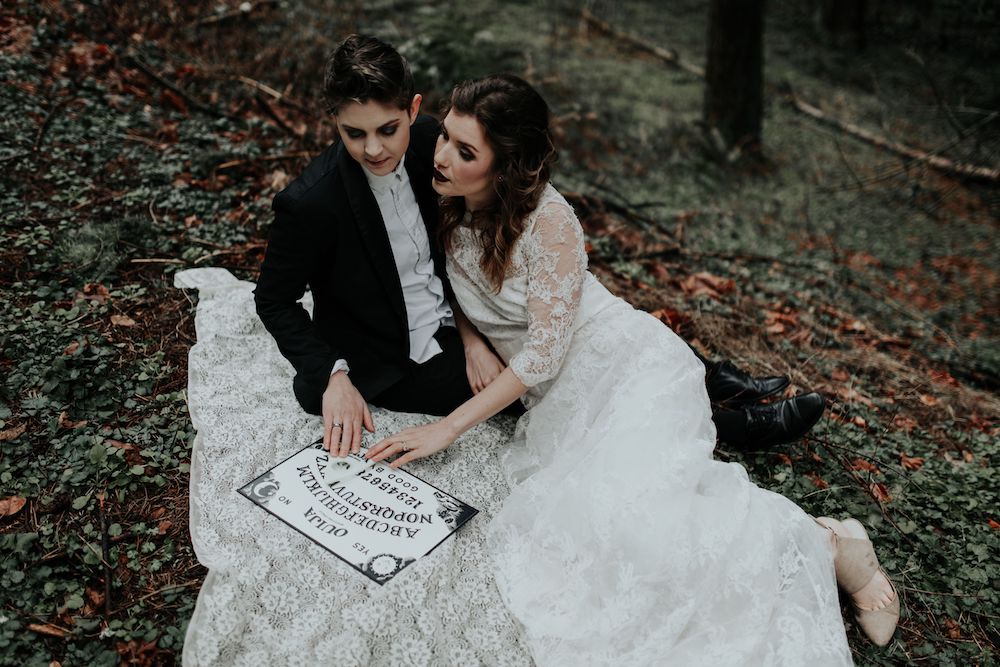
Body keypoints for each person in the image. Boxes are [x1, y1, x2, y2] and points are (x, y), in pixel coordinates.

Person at [364, 74, 899, 664]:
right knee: (594, 537)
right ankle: (823, 538)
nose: (440, 157)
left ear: (507, 166)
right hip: (561, 401)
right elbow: (453, 289)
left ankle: (828, 544)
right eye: (445, 138)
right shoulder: (444, 198)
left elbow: (541, 354)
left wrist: (448, 427)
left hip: (629, 370)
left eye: (465, 152)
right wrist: (471, 341)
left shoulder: (550, 222)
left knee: (646, 530)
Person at [253, 34, 824, 463]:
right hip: (404, 347)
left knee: (605, 337)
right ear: (334, 122)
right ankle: (720, 411)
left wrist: (471, 336)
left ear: (412, 110)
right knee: (557, 398)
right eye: (355, 133)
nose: (376, 149)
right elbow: (273, 300)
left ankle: (722, 388)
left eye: (389, 129)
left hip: (486, 323)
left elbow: (490, 230)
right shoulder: (314, 203)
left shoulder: (437, 144)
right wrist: (333, 373)